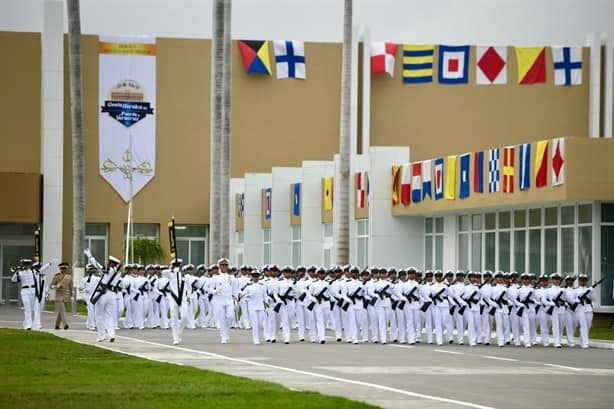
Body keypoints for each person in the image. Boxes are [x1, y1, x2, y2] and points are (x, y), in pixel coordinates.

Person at [87, 253, 121, 342]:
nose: (107, 263)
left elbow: (97, 265)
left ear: (111, 263)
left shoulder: (108, 270)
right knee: (108, 316)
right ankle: (111, 334)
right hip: (112, 295)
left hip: (103, 295)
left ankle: (102, 335)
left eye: (109, 262)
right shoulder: (118, 273)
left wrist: (91, 257)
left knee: (98, 315)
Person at [210, 258, 238, 344]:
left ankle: (225, 332)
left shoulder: (231, 277)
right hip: (219, 300)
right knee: (222, 319)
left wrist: (236, 297)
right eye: (222, 265)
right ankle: (223, 337)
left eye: (225, 265)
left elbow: (235, 289)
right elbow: (208, 288)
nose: (224, 267)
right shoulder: (215, 277)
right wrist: (214, 291)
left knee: (231, 317)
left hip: (229, 300)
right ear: (219, 266)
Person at [239, 269, 267, 344]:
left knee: (260, 323)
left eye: (257, 276)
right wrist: (248, 295)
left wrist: (267, 306)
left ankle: (259, 336)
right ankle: (256, 339)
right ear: (252, 277)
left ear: (259, 277)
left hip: (260, 306)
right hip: (252, 307)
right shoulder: (248, 287)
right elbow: (242, 295)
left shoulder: (262, 286)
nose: (255, 278)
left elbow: (265, 297)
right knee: (254, 323)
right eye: (254, 276)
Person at [11, 259, 40, 330]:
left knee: (34, 308)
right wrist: (16, 272)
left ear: (30, 265)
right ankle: (28, 325)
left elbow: (39, 280)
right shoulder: (20, 273)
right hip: (25, 291)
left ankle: (34, 324)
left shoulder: (34, 272)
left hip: (33, 291)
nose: (26, 266)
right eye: (24, 264)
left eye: (27, 264)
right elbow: (13, 280)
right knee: (27, 308)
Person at [50, 262, 72, 330]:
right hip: (59, 295)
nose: (63, 269)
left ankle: (57, 325)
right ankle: (65, 324)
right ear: (60, 268)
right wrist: (56, 286)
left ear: (67, 268)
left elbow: (70, 286)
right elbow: (51, 286)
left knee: (61, 311)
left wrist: (72, 295)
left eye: (64, 268)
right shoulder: (56, 276)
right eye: (61, 268)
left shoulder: (69, 276)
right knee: (62, 310)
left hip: (66, 295)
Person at [79, 263, 100, 330]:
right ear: (87, 270)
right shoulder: (84, 279)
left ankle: (89, 322)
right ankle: (92, 325)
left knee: (95, 311)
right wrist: (85, 290)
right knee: (91, 310)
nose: (92, 270)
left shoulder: (97, 278)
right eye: (90, 269)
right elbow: (80, 289)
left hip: (95, 296)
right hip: (88, 296)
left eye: (93, 269)